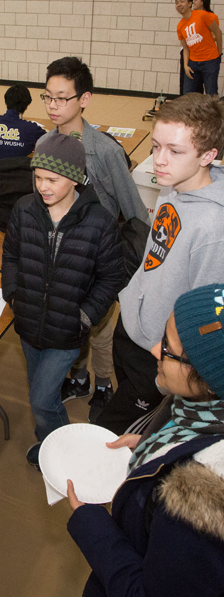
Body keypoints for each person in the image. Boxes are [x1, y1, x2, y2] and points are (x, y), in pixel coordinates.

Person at [66, 284, 224, 597]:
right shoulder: (193, 404)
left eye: (167, 348)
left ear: (206, 376)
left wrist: (92, 524)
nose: (154, 350)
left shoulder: (200, 499)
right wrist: (155, 446)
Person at [95, 93, 224, 435]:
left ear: (208, 155)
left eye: (175, 150)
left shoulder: (214, 228)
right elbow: (156, 256)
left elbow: (205, 319)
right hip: (133, 326)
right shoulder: (175, 186)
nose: (159, 161)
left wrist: (166, 353)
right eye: (156, 146)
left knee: (113, 436)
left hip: (157, 353)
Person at [1, 133, 124, 469]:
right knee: (44, 394)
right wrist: (12, 293)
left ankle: (62, 454)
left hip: (68, 332)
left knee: (40, 400)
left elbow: (113, 276)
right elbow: (11, 254)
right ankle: (54, 444)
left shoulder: (100, 223)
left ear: (74, 178)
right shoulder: (24, 209)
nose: (43, 186)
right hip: (28, 325)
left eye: (52, 179)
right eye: (38, 177)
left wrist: (85, 316)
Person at [38, 57, 149, 420]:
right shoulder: (44, 142)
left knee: (100, 328)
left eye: (62, 98)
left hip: (100, 257)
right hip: (62, 256)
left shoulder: (105, 151)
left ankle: (104, 384)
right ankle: (80, 378)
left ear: (84, 99)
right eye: (48, 98)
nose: (54, 106)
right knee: (73, 326)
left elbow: (135, 213)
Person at [0, 84, 46, 159]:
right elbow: (49, 141)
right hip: (17, 170)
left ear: (6, 102)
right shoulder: (32, 128)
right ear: (26, 106)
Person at [177, 0, 222, 96]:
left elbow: (218, 32)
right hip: (193, 63)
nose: (179, 5)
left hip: (210, 60)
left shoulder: (203, 15)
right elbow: (185, 48)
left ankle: (214, 111)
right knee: (187, 94)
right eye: (176, 2)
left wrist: (219, 52)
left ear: (190, 3)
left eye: (182, 1)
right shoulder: (180, 26)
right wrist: (186, 65)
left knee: (211, 93)